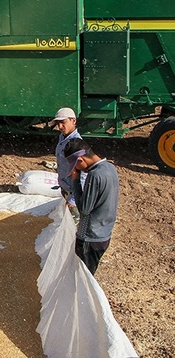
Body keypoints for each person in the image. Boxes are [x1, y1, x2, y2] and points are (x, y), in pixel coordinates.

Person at [64, 137, 119, 275]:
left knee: (82, 277)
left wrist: (76, 181)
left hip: (90, 238)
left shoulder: (95, 175)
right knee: (88, 274)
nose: (75, 169)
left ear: (80, 160)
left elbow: (84, 209)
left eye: (75, 166)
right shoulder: (110, 168)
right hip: (104, 233)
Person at [51, 107, 83, 224]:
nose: (60, 127)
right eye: (58, 123)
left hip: (73, 191)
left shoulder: (76, 144)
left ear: (73, 121)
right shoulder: (62, 137)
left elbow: (82, 174)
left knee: (74, 225)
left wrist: (74, 199)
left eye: (63, 122)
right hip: (66, 187)